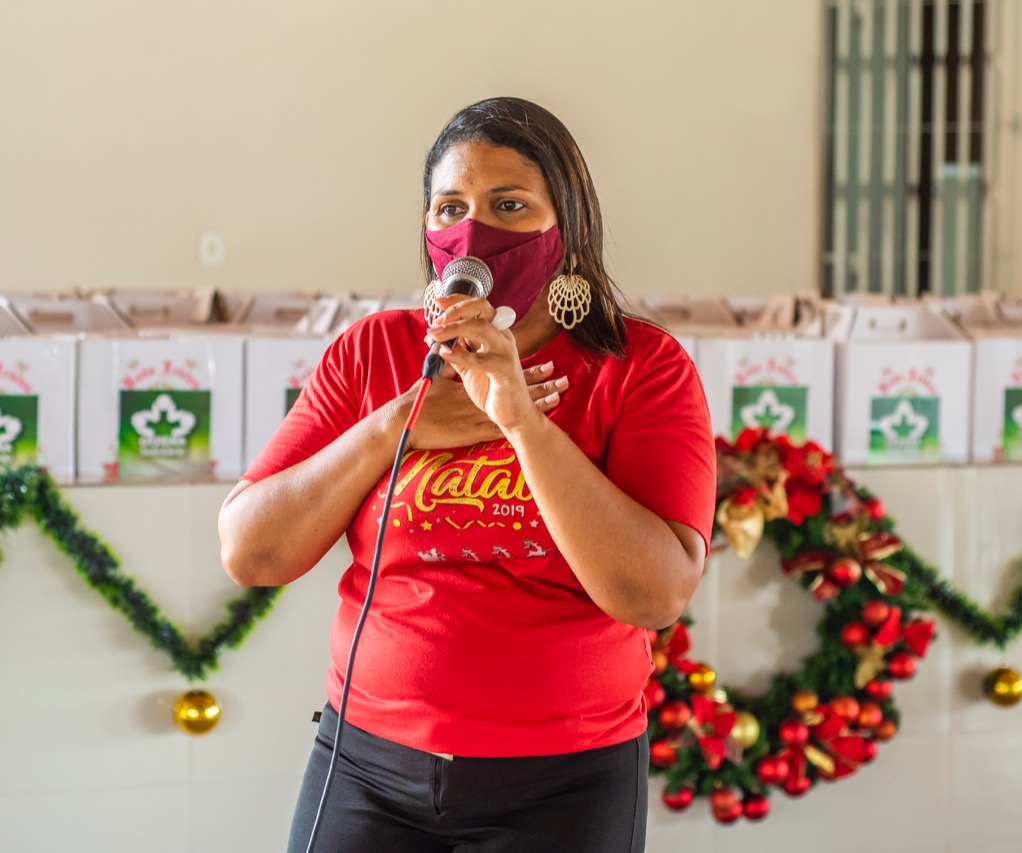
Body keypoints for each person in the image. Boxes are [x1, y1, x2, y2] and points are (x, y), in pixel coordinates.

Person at [218, 97, 716, 853]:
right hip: (365, 769)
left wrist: (524, 422)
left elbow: (654, 593)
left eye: (509, 205)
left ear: (568, 227)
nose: (473, 232)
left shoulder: (641, 368)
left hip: (564, 785)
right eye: (450, 206)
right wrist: (397, 426)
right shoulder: (374, 355)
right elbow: (250, 551)